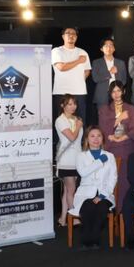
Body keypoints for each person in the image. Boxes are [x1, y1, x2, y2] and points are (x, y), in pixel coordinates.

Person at [70, 126, 117, 250]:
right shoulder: (81, 156)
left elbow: (113, 178)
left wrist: (102, 195)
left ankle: (94, 239)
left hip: (105, 193)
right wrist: (99, 161)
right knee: (88, 207)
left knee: (101, 207)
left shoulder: (110, 156)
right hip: (85, 193)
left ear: (102, 139)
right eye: (92, 136)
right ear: (87, 139)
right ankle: (86, 240)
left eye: (99, 136)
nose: (96, 139)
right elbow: (83, 173)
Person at [97, 80, 134, 213]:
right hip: (111, 149)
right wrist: (119, 119)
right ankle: (111, 211)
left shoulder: (131, 109)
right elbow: (102, 130)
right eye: (113, 91)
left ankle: (125, 212)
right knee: (111, 181)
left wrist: (124, 137)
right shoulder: (104, 109)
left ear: (123, 91)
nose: (116, 94)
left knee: (125, 181)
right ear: (110, 93)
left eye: (119, 91)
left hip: (126, 147)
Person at [52, 27, 91, 125]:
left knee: (79, 121)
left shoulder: (83, 52)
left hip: (79, 92)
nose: (71, 35)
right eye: (68, 33)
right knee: (61, 122)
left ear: (76, 37)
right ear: (63, 36)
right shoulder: (56, 51)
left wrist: (78, 80)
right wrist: (78, 61)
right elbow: (61, 67)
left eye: (74, 34)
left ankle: (80, 136)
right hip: (61, 91)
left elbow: (87, 71)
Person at [55, 94, 83, 227]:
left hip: (76, 159)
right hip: (66, 160)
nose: (73, 107)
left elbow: (79, 141)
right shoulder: (60, 120)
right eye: (69, 104)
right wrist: (78, 126)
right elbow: (71, 137)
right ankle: (75, 218)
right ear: (62, 105)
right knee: (71, 190)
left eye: (74, 104)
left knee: (67, 190)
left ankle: (63, 218)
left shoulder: (76, 119)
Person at [90, 38, 127, 124]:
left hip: (117, 95)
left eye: (111, 45)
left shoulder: (121, 63)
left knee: (118, 120)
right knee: (103, 121)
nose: (109, 48)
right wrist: (110, 73)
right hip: (102, 95)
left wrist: (118, 90)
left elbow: (124, 80)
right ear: (101, 49)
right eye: (106, 46)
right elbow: (95, 78)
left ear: (114, 48)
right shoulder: (96, 62)